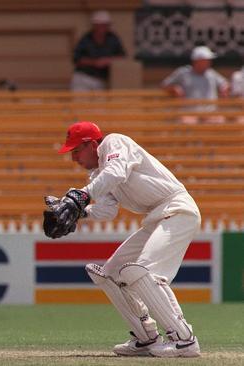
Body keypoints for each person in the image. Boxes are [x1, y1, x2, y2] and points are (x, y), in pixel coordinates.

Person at [45, 121, 201, 358]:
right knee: (111, 274)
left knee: (145, 272)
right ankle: (146, 336)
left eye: (77, 151)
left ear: (91, 143)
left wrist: (81, 196)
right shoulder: (98, 174)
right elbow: (107, 210)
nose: (74, 158)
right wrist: (80, 212)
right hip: (156, 218)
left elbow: (116, 172)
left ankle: (184, 340)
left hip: (177, 210)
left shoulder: (114, 142)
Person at [161, 45, 229, 124]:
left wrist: (224, 88)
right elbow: (164, 85)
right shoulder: (183, 73)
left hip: (210, 112)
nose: (209, 62)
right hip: (189, 112)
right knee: (187, 123)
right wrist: (174, 88)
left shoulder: (211, 73)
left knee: (219, 120)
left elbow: (225, 83)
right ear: (198, 61)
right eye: (206, 60)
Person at [70, 10, 126, 91]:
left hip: (101, 80)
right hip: (83, 78)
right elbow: (77, 58)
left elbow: (122, 56)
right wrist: (94, 62)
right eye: (100, 25)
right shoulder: (86, 39)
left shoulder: (113, 39)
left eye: (105, 25)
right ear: (94, 26)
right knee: (80, 102)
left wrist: (108, 60)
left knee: (100, 103)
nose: (102, 28)